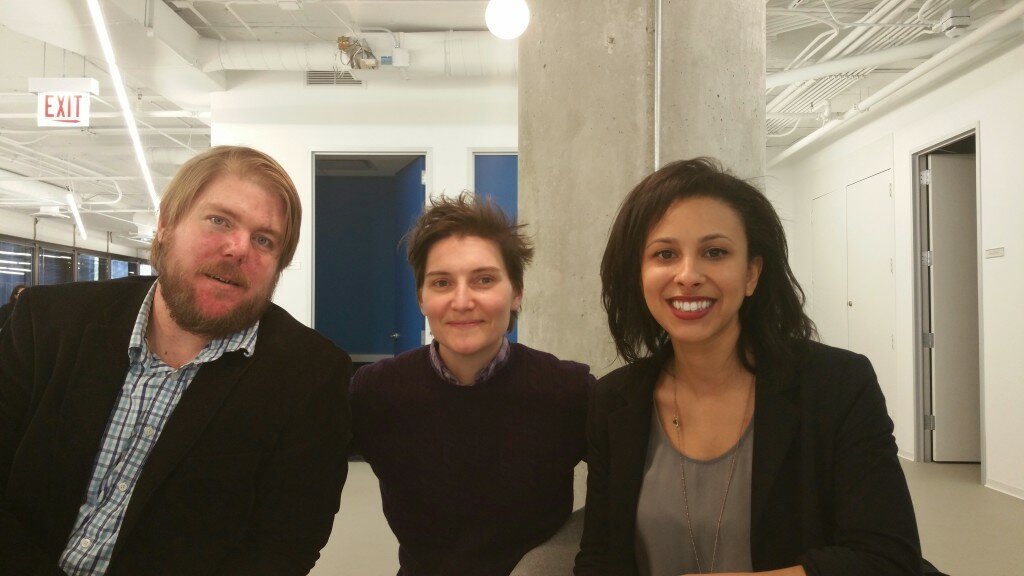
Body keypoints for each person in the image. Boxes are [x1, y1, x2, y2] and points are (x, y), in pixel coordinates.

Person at [0, 146, 352, 575]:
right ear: (166, 224)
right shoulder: (48, 321)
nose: (239, 248)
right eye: (219, 220)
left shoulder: (309, 376)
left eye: (264, 239)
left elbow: (283, 547)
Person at [574, 158, 923, 576]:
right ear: (639, 274)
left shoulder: (837, 386)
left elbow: (887, 559)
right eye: (665, 254)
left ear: (752, 273)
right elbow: (598, 560)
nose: (688, 275)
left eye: (715, 252)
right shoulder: (615, 400)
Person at [350, 193, 594, 576]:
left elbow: (627, 495)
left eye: (484, 279)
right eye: (442, 282)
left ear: (516, 293)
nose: (462, 301)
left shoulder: (566, 390)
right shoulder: (377, 392)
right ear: (421, 299)